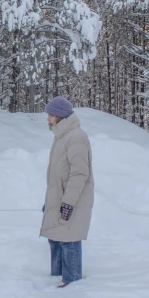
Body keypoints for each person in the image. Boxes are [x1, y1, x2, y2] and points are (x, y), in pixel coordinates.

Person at [40, 97, 94, 288]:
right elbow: (58, 175)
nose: (48, 119)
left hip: (72, 200)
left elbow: (79, 173)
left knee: (69, 240)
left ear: (61, 116)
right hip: (59, 198)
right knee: (55, 237)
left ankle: (72, 284)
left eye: (52, 115)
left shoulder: (76, 137)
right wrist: (51, 201)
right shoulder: (61, 136)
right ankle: (56, 278)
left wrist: (68, 202)